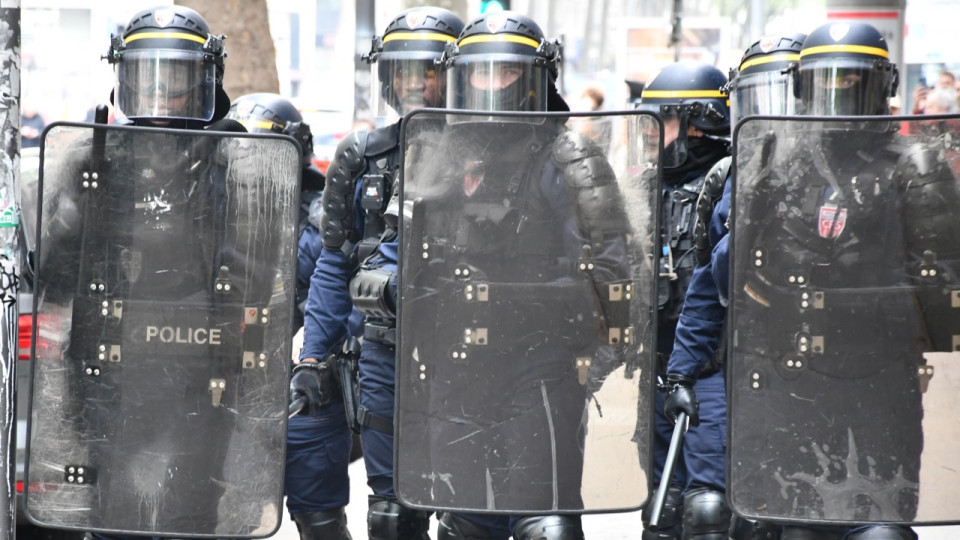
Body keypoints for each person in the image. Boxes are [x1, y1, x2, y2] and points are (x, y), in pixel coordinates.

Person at [30, 5, 298, 539]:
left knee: (191, 512)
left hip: (201, 376)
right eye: (146, 76)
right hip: (110, 375)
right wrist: (70, 223)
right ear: (123, 77)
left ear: (205, 79)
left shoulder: (234, 161)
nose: (158, 92)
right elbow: (53, 281)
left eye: (174, 78)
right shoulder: (96, 159)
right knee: (113, 512)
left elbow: (260, 280)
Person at [396, 11, 641, 539]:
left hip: (540, 364)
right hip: (456, 363)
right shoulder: (438, 155)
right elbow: (411, 256)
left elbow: (613, 269)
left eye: (505, 72)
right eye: (479, 73)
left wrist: (592, 362)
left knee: (544, 519)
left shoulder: (566, 158)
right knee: (463, 521)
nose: (490, 86)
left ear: (534, 79)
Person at [722, 21, 960, 539]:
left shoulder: (916, 165)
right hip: (794, 381)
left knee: (880, 527)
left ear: (883, 85)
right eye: (824, 82)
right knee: (797, 527)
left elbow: (945, 297)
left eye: (852, 82)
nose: (838, 98)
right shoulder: (776, 163)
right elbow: (736, 280)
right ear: (801, 88)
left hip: (880, 380)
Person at [300, 7, 476, 539]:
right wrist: (313, 357)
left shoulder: (491, 152)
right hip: (384, 353)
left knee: (472, 511)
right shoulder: (362, 157)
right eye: (403, 71)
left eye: (429, 71)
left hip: (475, 358)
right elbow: (333, 264)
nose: (414, 83)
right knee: (392, 515)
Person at [227, 93, 358, 540]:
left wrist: (320, 349)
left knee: (321, 523)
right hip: (231, 397)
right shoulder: (211, 215)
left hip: (307, 393)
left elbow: (346, 297)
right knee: (230, 520)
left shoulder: (323, 221)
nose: (251, 167)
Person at [633, 60, 733, 540]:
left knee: (707, 508)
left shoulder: (726, 185)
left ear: (698, 126)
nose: (650, 132)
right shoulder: (642, 189)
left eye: (663, 120)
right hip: (653, 370)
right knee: (661, 508)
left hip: (713, 371)